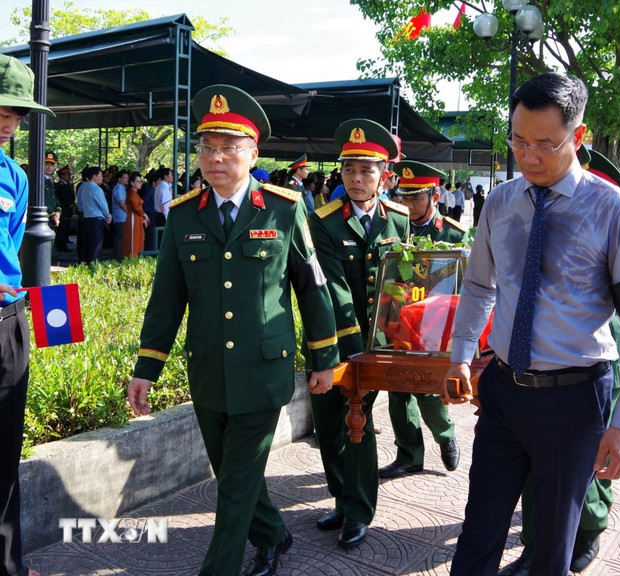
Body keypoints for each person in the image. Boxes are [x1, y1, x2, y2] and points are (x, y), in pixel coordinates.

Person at [442, 72, 620, 575]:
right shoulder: (499, 202)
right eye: (518, 140)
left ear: (578, 137)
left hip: (573, 398)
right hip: (502, 390)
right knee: (479, 529)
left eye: (545, 143)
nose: (528, 155)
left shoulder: (613, 210)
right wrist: (460, 353)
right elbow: (479, 286)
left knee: (551, 545)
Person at [127, 84, 340, 576]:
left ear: (252, 153)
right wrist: (146, 369)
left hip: (263, 371)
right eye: (207, 147)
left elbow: (312, 287)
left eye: (228, 148)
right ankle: (272, 533)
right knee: (232, 474)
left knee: (238, 480)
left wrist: (325, 359)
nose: (215, 157)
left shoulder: (285, 209)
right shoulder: (183, 216)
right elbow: (166, 300)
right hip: (208, 371)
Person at [307, 118, 410, 549]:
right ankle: (342, 496)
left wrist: (397, 338)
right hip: (332, 343)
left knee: (358, 422)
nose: (355, 178)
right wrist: (351, 355)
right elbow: (332, 290)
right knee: (327, 425)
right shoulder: (324, 221)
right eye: (349, 169)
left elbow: (402, 283)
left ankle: (358, 509)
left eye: (366, 170)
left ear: (384, 175)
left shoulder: (399, 220)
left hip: (377, 347)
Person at [0, 52, 53, 576]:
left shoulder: (14, 175)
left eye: (16, 114)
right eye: (1, 110)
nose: (7, 123)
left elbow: (13, 253)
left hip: (5, 322)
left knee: (4, 449)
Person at [379, 160, 466, 480]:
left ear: (435, 196)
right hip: (396, 322)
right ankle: (408, 454)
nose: (408, 204)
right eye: (404, 197)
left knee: (428, 389)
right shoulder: (393, 226)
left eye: (416, 198)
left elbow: (462, 283)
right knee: (397, 391)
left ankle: (445, 436)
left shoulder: (454, 233)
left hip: (434, 326)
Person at [78, 166, 111, 263]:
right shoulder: (96, 189)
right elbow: (103, 205)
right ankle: (94, 266)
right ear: (94, 177)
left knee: (89, 245)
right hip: (96, 220)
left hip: (87, 218)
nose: (102, 178)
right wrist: (107, 215)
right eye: (100, 176)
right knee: (96, 247)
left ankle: (88, 264)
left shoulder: (84, 187)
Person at [122, 171, 148, 259]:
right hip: (133, 218)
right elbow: (136, 207)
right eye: (137, 181)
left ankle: (136, 259)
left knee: (138, 240)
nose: (140, 183)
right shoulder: (131, 193)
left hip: (137, 219)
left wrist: (143, 217)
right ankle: (132, 259)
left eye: (141, 181)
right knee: (133, 241)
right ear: (132, 183)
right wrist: (144, 215)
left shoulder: (135, 193)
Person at [54, 164, 75, 251]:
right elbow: (65, 198)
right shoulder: (61, 185)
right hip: (64, 210)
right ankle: (61, 245)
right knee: (62, 228)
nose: (69, 176)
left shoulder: (67, 184)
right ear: (62, 175)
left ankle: (64, 243)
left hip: (67, 211)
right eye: (67, 174)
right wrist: (71, 205)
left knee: (66, 227)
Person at [110, 169, 129, 262]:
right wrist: (129, 212)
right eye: (125, 178)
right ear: (119, 179)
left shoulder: (122, 188)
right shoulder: (118, 188)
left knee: (121, 238)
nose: (127, 179)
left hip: (122, 217)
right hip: (120, 217)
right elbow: (121, 203)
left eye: (127, 177)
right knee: (120, 238)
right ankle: (117, 258)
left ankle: (119, 256)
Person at [43, 151, 61, 234]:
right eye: (46, 164)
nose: (49, 167)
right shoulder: (39, 180)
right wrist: (52, 214)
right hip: (44, 220)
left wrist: (58, 212)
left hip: (52, 220)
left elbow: (55, 199)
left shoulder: (49, 181)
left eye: (52, 165)